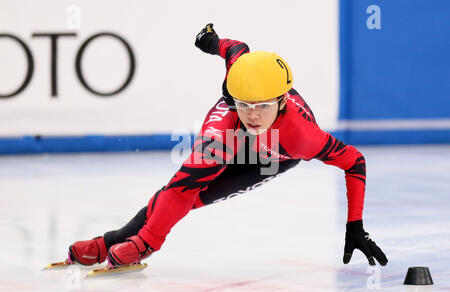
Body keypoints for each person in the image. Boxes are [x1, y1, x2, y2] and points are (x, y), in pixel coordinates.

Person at [66, 24, 388, 268]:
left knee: (193, 199)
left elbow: (354, 161)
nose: (253, 114)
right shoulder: (227, 120)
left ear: (281, 101)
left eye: (262, 105)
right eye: (245, 104)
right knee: (181, 186)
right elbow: (236, 47)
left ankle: (128, 242)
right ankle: (118, 241)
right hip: (229, 134)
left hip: (275, 152)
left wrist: (355, 225)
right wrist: (211, 41)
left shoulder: (302, 136)